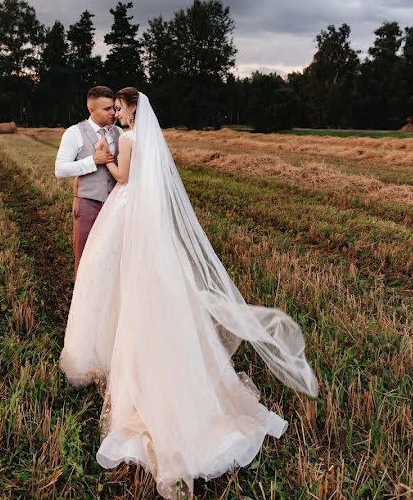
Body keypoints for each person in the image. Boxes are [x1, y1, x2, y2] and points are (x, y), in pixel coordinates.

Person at [60, 87, 319, 499]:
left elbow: (125, 178)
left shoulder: (127, 139)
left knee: (112, 277)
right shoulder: (150, 139)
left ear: (129, 110)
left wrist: (107, 163)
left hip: (126, 208)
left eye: (121, 109)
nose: (119, 114)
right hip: (147, 218)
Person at [54, 85, 122, 274]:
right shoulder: (74, 133)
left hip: (115, 206)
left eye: (114, 108)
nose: (113, 113)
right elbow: (60, 169)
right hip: (87, 204)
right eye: (107, 109)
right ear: (91, 110)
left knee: (112, 258)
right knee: (85, 259)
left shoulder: (119, 134)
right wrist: (93, 161)